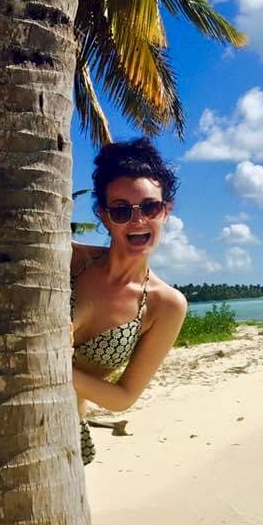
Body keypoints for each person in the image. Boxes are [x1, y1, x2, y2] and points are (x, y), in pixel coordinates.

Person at [70, 138, 187, 464]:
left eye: (150, 207)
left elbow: (123, 397)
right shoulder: (68, 259)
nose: (138, 220)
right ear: (104, 216)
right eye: (121, 210)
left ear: (166, 211)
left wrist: (51, 363)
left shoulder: (165, 305)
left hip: (63, 428)